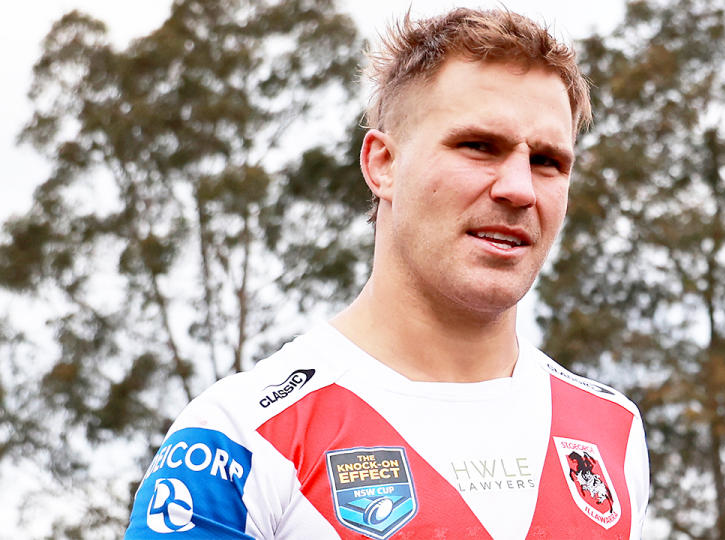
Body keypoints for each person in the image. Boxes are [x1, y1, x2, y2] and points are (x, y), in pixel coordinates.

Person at [124, 7, 649, 539]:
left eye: (547, 161)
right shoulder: (241, 436)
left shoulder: (611, 430)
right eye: (478, 147)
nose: (518, 188)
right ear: (382, 164)